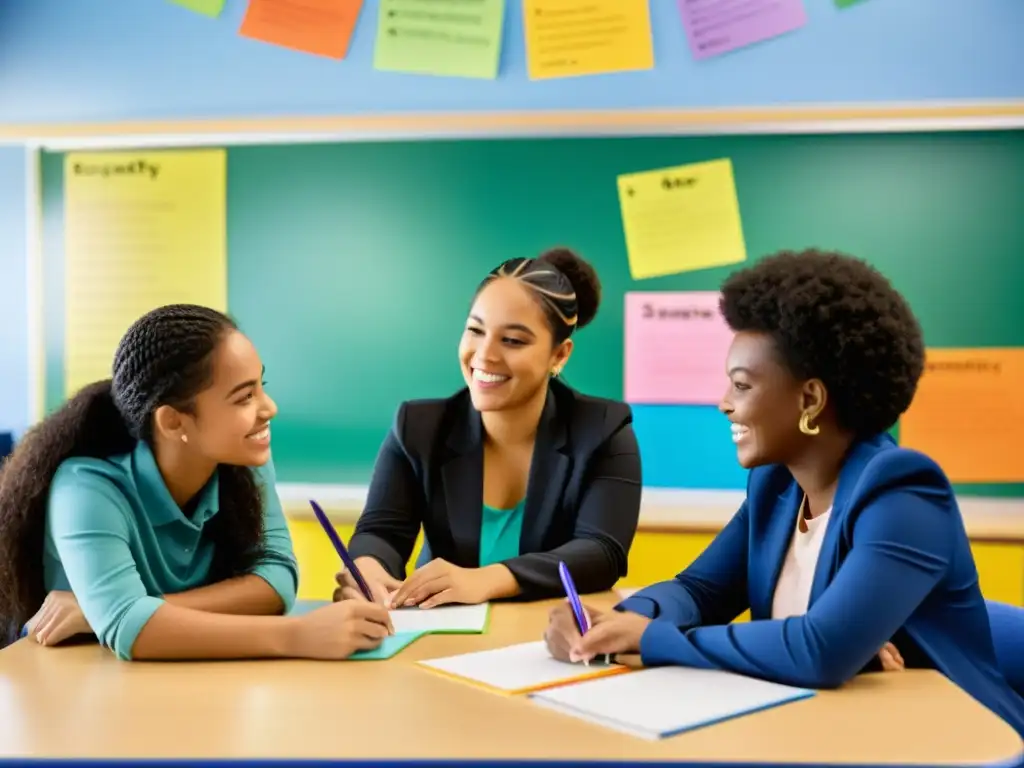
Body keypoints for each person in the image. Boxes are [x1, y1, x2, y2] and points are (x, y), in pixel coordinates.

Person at [543, 249, 1024, 736]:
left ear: (810, 400)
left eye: (742, 385)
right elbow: (700, 590)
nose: (724, 404)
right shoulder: (777, 485)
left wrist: (654, 641)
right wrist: (620, 620)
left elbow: (820, 650)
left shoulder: (902, 493)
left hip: (957, 739)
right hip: (825, 728)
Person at [0, 304, 392, 661]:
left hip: (192, 682)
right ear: (173, 422)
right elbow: (130, 630)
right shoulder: (86, 488)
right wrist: (296, 635)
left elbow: (275, 582)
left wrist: (109, 610)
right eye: (244, 398)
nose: (269, 409)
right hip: (75, 690)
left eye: (262, 387)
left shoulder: (243, 464)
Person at [337, 248, 642, 609]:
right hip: (440, 636)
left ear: (559, 355)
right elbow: (381, 533)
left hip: (548, 640)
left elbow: (601, 552)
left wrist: (485, 580)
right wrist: (367, 568)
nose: (484, 355)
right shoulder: (418, 428)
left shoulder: (603, 430)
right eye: (475, 331)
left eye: (512, 340)